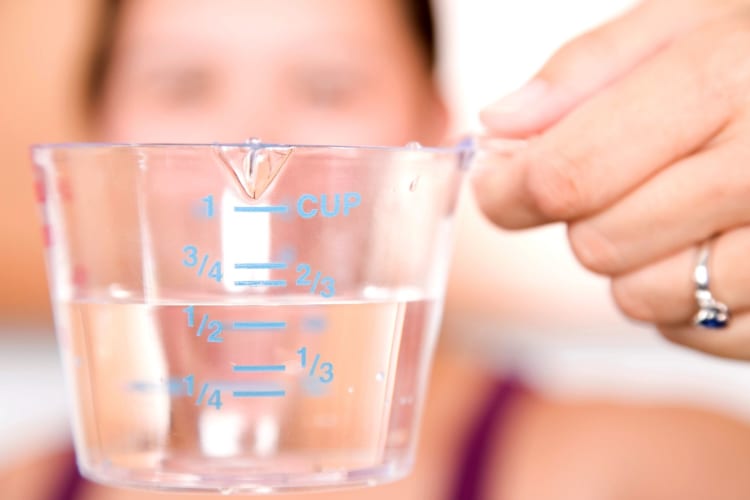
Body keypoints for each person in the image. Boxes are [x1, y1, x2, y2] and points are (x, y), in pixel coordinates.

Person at [5, 1, 750, 499]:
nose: (255, 145)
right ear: (95, 135)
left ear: (431, 136)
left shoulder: (656, 473)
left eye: (329, 85)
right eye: (183, 83)